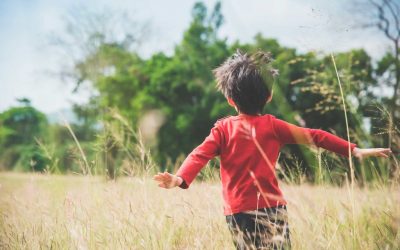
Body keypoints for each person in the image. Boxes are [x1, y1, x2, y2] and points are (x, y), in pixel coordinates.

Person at [153, 50, 392, 249]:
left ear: (230, 100)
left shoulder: (223, 129)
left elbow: (199, 154)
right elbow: (316, 137)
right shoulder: (273, 126)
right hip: (273, 210)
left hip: (238, 213)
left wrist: (179, 178)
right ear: (268, 96)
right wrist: (354, 150)